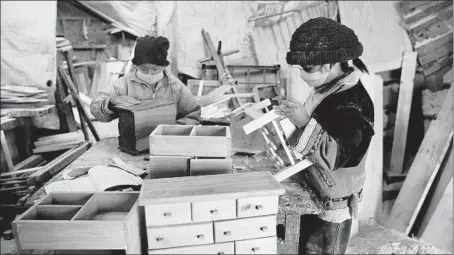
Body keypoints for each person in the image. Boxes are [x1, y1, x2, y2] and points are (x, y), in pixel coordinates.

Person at [273, 17, 375, 254]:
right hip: (314, 189)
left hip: (332, 206)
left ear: (329, 64)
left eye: (307, 68)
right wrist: (296, 113)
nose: (302, 74)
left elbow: (337, 156)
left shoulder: (352, 105)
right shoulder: (328, 89)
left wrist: (304, 121)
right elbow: (319, 127)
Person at [90, 36, 201, 125]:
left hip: (167, 143)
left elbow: (194, 114)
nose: (150, 74)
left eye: (155, 69)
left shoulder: (176, 86)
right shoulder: (124, 84)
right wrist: (111, 102)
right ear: (136, 66)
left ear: (163, 66)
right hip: (132, 144)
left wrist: (173, 129)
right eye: (144, 69)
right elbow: (96, 106)